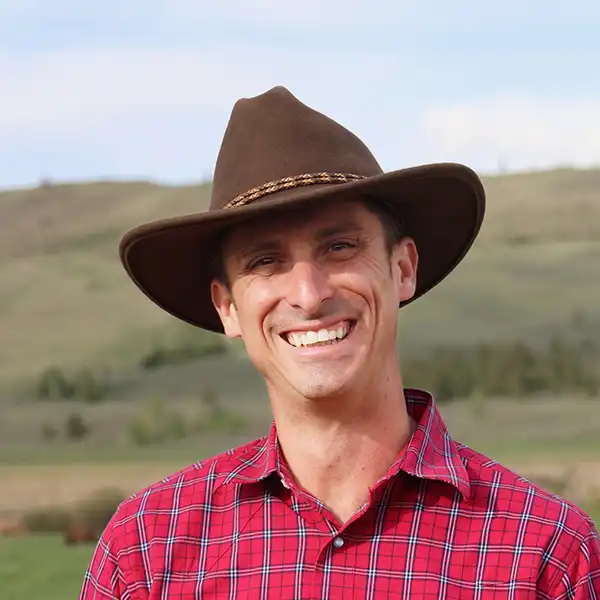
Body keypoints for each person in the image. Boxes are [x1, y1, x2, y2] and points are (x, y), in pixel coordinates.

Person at [79, 86, 600, 599]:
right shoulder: (147, 550)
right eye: (265, 261)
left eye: (339, 247)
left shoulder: (546, 555)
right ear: (227, 308)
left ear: (402, 268)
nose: (308, 295)